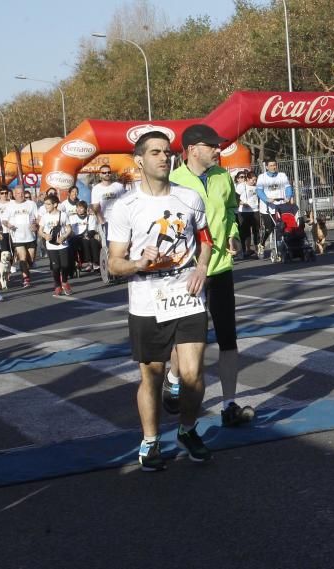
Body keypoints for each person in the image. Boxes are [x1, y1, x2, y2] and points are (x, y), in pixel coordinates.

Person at [106, 130, 213, 471]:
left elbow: (206, 238)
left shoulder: (190, 197)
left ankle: (188, 429)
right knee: (151, 376)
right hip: (146, 301)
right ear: (139, 161)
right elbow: (113, 262)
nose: (164, 157)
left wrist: (202, 268)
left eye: (167, 152)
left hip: (188, 296)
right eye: (155, 153)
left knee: (194, 375)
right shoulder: (125, 206)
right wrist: (138, 263)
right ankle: (150, 441)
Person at [167, 124, 254, 427]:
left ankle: (229, 404)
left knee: (228, 339)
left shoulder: (222, 177)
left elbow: (230, 209)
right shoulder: (172, 181)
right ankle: (174, 378)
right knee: (188, 343)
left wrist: (231, 233)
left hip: (220, 268)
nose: (219, 150)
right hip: (186, 274)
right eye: (212, 146)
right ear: (192, 150)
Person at [255, 160, 293, 259]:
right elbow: (259, 191)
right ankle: (261, 244)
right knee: (269, 228)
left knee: (280, 228)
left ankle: (280, 248)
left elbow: (288, 187)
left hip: (280, 206)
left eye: (275, 165)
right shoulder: (262, 177)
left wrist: (288, 196)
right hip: (267, 208)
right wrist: (267, 199)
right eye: (271, 165)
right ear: (267, 167)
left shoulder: (282, 176)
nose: (273, 167)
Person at [1, 186, 38, 288]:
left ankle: (26, 272)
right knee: (22, 257)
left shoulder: (31, 204)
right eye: (17, 193)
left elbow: (38, 217)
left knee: (30, 260)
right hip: (17, 236)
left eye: (21, 193)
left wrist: (36, 225)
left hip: (30, 236)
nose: (20, 195)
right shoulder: (10, 206)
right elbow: (4, 220)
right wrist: (8, 225)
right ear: (14, 194)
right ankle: (26, 279)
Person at [37, 194, 73, 297]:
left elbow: (69, 228)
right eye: (45, 204)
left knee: (65, 265)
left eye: (48, 204)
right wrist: (45, 235)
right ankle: (57, 285)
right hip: (51, 245)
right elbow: (40, 230)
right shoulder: (44, 216)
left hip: (63, 244)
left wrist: (64, 236)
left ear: (55, 204)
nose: (46, 206)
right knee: (56, 266)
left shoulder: (63, 215)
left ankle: (65, 282)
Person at [90, 165, 128, 232]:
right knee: (109, 242)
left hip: (120, 220)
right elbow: (96, 207)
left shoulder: (118, 186)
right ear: (100, 175)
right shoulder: (96, 189)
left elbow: (125, 203)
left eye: (109, 172)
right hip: (106, 221)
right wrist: (102, 222)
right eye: (104, 173)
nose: (107, 174)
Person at [234, 170, 260, 258]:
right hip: (243, 212)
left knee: (256, 230)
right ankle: (245, 250)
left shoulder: (257, 186)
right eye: (252, 180)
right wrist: (242, 203)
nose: (254, 182)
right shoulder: (241, 186)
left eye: (255, 180)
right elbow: (236, 198)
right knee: (245, 232)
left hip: (255, 210)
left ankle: (257, 249)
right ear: (247, 179)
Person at [69, 200, 101, 272]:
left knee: (94, 241)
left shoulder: (91, 217)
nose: (79, 210)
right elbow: (71, 230)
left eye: (81, 208)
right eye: (78, 208)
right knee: (84, 241)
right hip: (76, 237)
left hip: (88, 234)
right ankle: (88, 262)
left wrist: (88, 236)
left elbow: (92, 229)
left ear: (85, 209)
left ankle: (96, 262)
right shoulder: (72, 218)